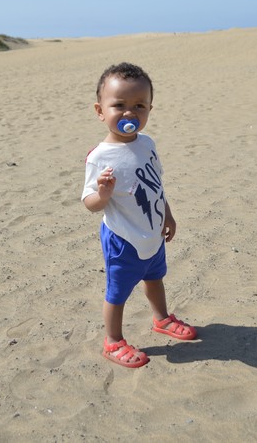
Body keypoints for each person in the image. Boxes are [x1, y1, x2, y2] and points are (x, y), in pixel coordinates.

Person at [82, 63, 197, 368]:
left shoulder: (147, 145)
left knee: (155, 277)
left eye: (139, 106)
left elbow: (156, 185)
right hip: (124, 239)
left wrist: (167, 216)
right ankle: (113, 340)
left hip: (152, 230)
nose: (129, 113)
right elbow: (90, 203)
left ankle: (161, 319)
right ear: (100, 110)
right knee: (117, 292)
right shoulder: (100, 157)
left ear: (149, 109)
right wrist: (103, 194)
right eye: (119, 105)